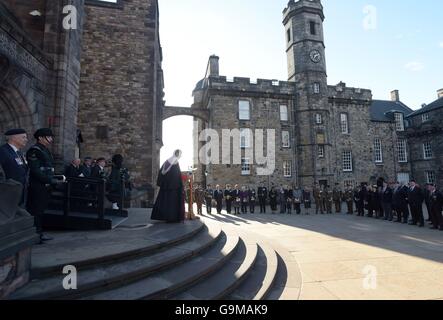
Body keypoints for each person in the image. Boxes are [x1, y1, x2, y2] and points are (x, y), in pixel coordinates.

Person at [26, 128, 61, 244]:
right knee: (36, 210)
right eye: (48, 137)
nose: (51, 139)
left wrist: (53, 179)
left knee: (41, 210)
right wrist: (50, 180)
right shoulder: (34, 150)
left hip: (45, 185)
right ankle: (36, 234)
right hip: (38, 185)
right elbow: (36, 170)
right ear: (40, 138)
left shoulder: (45, 150)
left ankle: (39, 233)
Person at [151, 150, 185, 223]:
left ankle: (168, 217)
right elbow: (176, 174)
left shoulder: (169, 160)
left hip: (168, 185)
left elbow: (163, 172)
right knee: (172, 203)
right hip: (174, 187)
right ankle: (172, 218)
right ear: (178, 154)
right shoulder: (175, 161)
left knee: (166, 201)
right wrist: (180, 184)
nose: (180, 156)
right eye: (180, 154)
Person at [0, 129, 29, 207]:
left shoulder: (18, 152)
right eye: (23, 137)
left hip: (19, 193)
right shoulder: (3, 151)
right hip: (8, 193)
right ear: (14, 138)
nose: (26, 140)